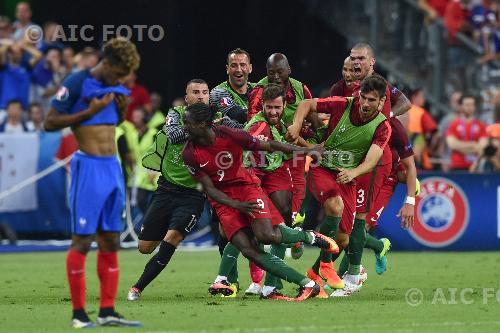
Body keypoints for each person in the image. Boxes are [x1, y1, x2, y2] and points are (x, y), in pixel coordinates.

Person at [182, 102, 340, 301]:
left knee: (267, 236)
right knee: (249, 250)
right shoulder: (189, 153)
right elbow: (210, 189)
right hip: (224, 202)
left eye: (187, 123)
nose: (184, 127)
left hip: (246, 188)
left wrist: (306, 151)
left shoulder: (229, 134)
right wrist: (235, 205)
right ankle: (308, 285)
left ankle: (310, 237)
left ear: (203, 124)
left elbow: (270, 145)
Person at [44, 37, 142, 328]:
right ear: (106, 63)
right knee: (83, 241)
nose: (121, 79)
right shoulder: (76, 82)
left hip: (113, 168)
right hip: (88, 169)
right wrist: (86, 113)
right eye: (118, 74)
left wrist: (122, 112)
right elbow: (49, 122)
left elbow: (111, 125)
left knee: (111, 240)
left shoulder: (117, 84)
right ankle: (78, 315)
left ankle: (107, 311)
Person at [287, 74, 392, 298]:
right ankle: (325, 263)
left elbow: (372, 159)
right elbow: (307, 103)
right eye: (363, 98)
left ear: (382, 102)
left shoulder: (383, 127)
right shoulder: (343, 104)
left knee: (343, 239)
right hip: (323, 168)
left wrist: (353, 172)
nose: (365, 104)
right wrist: (296, 125)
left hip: (348, 177)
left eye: (371, 100)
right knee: (334, 206)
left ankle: (313, 278)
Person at [127, 79, 210, 301]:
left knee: (172, 237)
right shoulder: (176, 113)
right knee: (144, 247)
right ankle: (162, 234)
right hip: (167, 188)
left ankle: (137, 288)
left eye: (204, 92)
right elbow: (172, 135)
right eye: (195, 92)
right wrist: (201, 128)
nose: (201, 96)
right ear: (187, 98)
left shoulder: (217, 117)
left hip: (194, 194)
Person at [210, 48, 263, 295]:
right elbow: (244, 118)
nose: (239, 70)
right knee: (225, 226)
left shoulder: (257, 90)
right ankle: (230, 280)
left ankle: (260, 279)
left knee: (257, 222)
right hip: (226, 167)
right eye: (234, 65)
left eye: (243, 65)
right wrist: (261, 121)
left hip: (257, 166)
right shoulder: (219, 93)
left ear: (250, 68)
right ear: (227, 68)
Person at [249, 53, 317, 226]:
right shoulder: (259, 91)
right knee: (268, 202)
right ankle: (286, 235)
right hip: (270, 155)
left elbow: (313, 118)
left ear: (289, 70)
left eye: (280, 72)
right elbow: (254, 121)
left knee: (297, 194)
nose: (276, 77)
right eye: (271, 73)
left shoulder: (301, 89)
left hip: (295, 152)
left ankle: (290, 234)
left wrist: (312, 134)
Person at [446, 94, 489, 171]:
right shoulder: (453, 124)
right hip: (457, 166)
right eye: (467, 105)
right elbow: (452, 145)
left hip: (475, 167)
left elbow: (483, 147)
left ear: (475, 106)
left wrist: (460, 146)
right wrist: (473, 145)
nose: (469, 107)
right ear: (461, 106)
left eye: (471, 105)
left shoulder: (481, 125)